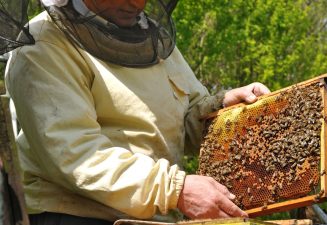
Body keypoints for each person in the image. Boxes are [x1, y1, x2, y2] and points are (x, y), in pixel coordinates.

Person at [4, 0, 270, 224]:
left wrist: (220, 109)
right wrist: (175, 190)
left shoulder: (150, 36)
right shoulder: (44, 44)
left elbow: (181, 122)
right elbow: (75, 153)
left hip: (151, 216)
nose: (138, 3)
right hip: (73, 215)